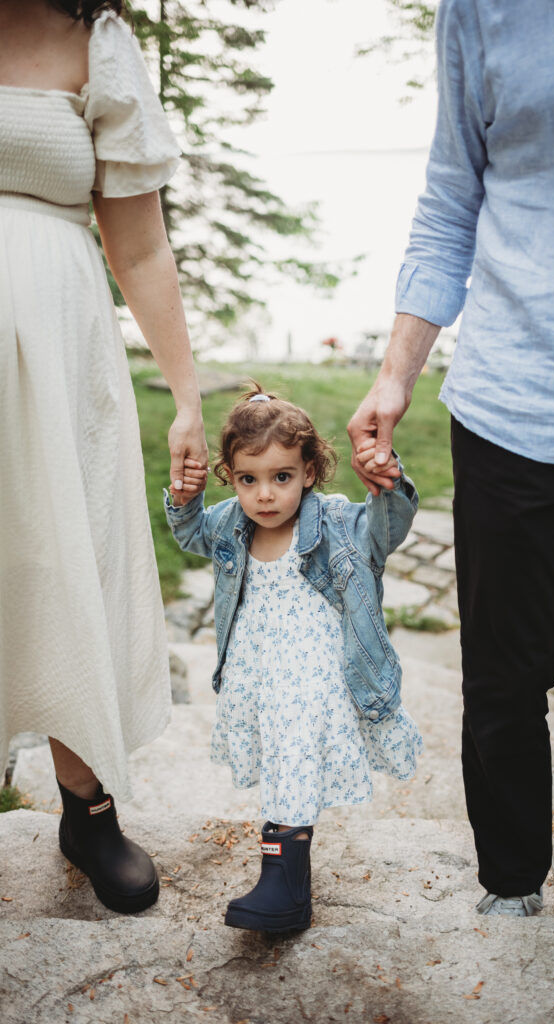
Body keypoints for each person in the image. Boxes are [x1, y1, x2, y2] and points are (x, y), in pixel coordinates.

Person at [348, 0, 554, 917]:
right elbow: (449, 201)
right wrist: (394, 374)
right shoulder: (482, 11)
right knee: (504, 674)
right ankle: (508, 882)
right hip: (513, 395)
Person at [0, 0, 208, 914]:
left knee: (65, 556)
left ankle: (87, 811)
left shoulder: (97, 39)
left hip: (59, 350)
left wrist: (187, 397)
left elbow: (142, 243)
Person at [164, 385, 423, 932]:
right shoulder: (231, 523)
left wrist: (388, 484)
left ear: (309, 472)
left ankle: (281, 882)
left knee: (294, 752)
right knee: (284, 759)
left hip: (315, 675)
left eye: (281, 477)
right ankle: (290, 882)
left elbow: (386, 530)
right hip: (259, 671)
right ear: (231, 478)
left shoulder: (334, 523)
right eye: (248, 480)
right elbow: (190, 534)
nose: (264, 495)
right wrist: (184, 498)